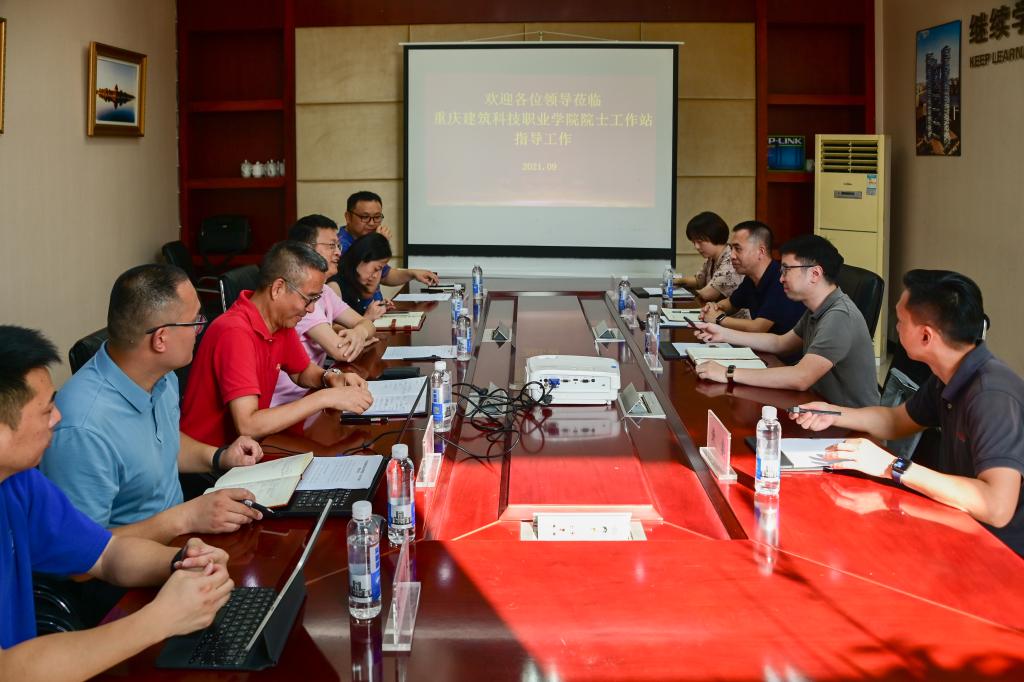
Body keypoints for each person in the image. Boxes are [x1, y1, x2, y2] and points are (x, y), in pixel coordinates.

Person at [0, 325, 233, 678]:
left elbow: (106, 554)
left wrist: (182, 561)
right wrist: (162, 618)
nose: (58, 418)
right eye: (46, 410)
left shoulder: (19, 482)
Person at [791, 270, 1024, 556]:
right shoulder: (948, 374)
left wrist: (892, 466)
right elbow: (895, 421)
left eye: (901, 321)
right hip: (959, 523)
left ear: (926, 336)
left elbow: (997, 507)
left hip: (1002, 552)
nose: (896, 328)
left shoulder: (992, 395)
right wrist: (835, 413)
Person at [41, 265, 265, 545]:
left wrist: (219, 456)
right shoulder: (82, 428)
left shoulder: (161, 375)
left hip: (182, 541)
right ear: (161, 339)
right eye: (195, 321)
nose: (200, 329)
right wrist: (186, 518)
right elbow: (78, 548)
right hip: (132, 565)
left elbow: (161, 445)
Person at [181, 241, 373, 445]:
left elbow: (301, 371)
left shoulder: (280, 321)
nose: (310, 309)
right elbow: (248, 425)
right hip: (213, 454)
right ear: (278, 288)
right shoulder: (234, 332)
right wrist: (325, 397)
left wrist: (331, 377)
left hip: (250, 448)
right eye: (308, 299)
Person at [694, 234, 879, 408]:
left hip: (848, 422)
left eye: (786, 270)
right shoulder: (817, 308)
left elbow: (801, 377)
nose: (781, 278)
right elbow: (781, 343)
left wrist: (728, 373)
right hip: (818, 406)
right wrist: (723, 334)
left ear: (815, 274)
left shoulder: (840, 316)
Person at [271, 215, 379, 408]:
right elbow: (342, 352)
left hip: (311, 392)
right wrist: (359, 336)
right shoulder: (298, 301)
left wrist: (359, 333)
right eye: (331, 246)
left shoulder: (324, 291)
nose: (338, 252)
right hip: (292, 403)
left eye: (338, 245)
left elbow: (365, 324)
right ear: (306, 249)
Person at [699, 221, 806, 334]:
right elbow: (731, 304)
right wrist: (714, 307)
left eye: (738, 249)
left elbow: (758, 327)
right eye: (731, 249)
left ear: (761, 251)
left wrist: (719, 319)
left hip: (786, 345)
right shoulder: (751, 278)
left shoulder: (781, 279)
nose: (732, 256)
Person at [335, 190, 439, 287]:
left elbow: (385, 275)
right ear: (348, 217)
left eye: (377, 217)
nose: (372, 223)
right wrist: (378, 245)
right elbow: (361, 279)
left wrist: (412, 273)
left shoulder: (367, 241)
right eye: (365, 217)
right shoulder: (338, 246)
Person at [675, 211, 743, 302]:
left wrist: (674, 292)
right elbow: (698, 280)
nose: (696, 247)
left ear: (714, 236)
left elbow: (706, 295)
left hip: (730, 311)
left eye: (699, 242)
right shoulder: (712, 258)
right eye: (694, 242)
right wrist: (676, 281)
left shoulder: (730, 262)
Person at [333, 233, 397, 318]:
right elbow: (333, 326)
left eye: (380, 270)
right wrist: (368, 317)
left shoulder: (356, 283)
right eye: (376, 269)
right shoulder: (335, 286)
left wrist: (377, 308)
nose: (376, 276)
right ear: (361, 258)